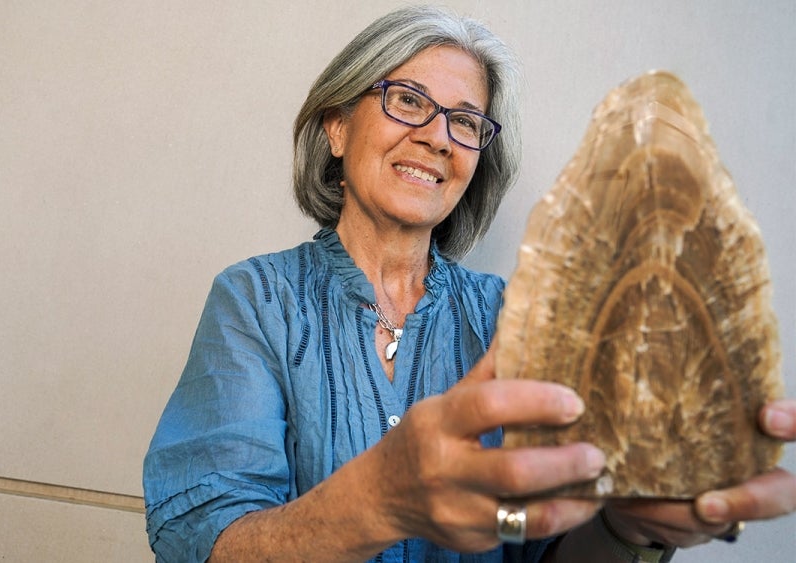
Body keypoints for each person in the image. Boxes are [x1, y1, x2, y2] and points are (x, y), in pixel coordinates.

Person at [143, 5, 796, 562]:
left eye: (466, 121)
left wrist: (629, 524)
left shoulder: (514, 320)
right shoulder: (256, 301)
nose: (437, 137)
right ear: (336, 126)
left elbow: (532, 544)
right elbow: (205, 540)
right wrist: (376, 502)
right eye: (407, 100)